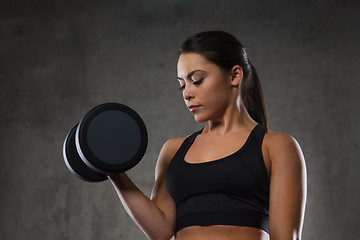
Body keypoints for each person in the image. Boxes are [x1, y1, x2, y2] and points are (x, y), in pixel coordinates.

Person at [108, 31, 307, 240]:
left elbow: (286, 236)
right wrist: (114, 171)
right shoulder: (173, 150)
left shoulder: (276, 147)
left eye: (197, 80)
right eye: (182, 85)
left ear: (234, 75)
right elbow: (161, 230)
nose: (187, 93)